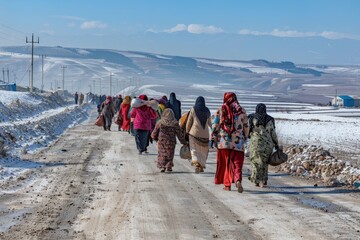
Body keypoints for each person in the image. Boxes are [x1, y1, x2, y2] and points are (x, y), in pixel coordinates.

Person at [211, 92, 249, 192]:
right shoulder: (241, 111)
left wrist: (213, 137)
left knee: (226, 164)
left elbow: (215, 126)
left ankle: (227, 185)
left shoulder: (221, 110)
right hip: (238, 143)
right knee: (238, 164)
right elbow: (246, 127)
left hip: (224, 142)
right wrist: (245, 136)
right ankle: (237, 180)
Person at [248, 103, 279, 187]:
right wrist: (276, 143)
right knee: (264, 163)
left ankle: (256, 180)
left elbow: (248, 130)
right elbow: (273, 133)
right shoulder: (270, 119)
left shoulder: (252, 118)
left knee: (255, 162)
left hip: (255, 144)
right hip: (267, 144)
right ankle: (263, 180)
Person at [186, 96, 212, 173]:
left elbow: (189, 122)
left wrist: (187, 131)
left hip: (194, 134)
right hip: (205, 135)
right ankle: (201, 166)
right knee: (203, 151)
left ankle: (196, 163)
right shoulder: (207, 110)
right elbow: (210, 123)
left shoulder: (193, 109)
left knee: (194, 150)